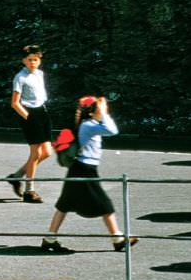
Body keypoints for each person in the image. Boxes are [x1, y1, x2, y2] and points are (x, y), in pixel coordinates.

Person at [41, 96, 139, 253]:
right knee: (105, 204)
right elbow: (113, 131)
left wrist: (102, 111)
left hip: (81, 168)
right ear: (92, 112)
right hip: (85, 169)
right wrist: (104, 113)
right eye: (100, 109)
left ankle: (49, 239)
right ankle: (117, 239)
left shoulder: (89, 124)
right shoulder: (89, 125)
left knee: (64, 204)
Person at [8, 45, 51, 203]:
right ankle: (29, 191)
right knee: (36, 154)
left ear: (40, 60)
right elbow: (15, 103)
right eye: (30, 59)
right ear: (24, 60)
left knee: (47, 152)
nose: (33, 62)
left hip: (42, 112)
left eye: (36, 60)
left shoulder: (40, 74)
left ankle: (17, 176)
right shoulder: (20, 77)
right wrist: (28, 117)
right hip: (29, 114)